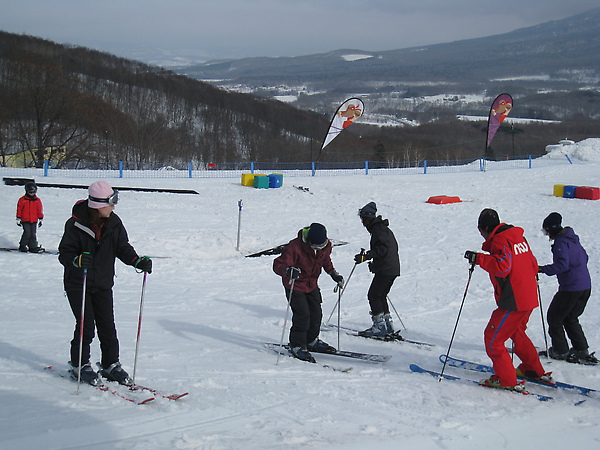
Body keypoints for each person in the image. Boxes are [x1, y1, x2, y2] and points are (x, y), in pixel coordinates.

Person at [58, 180, 153, 385]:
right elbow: (64, 253)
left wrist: (136, 260)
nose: (113, 207)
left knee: (107, 325)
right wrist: (77, 260)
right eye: (111, 203)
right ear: (98, 205)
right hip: (79, 283)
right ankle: (80, 364)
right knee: (86, 325)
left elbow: (122, 247)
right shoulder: (75, 224)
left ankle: (111, 364)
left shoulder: (114, 222)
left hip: (102, 281)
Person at [464, 208, 552, 391]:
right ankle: (532, 369)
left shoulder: (500, 240)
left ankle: (505, 379)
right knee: (516, 332)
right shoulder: (517, 237)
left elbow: (502, 268)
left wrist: (480, 259)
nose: (480, 234)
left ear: (486, 228)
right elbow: (533, 264)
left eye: (480, 230)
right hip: (528, 296)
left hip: (514, 300)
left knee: (493, 338)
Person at [273, 223, 344, 362]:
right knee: (303, 315)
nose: (318, 249)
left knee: (316, 313)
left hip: (311, 284)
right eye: (315, 247)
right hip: (295, 284)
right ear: (309, 242)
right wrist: (288, 271)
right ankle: (297, 345)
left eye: (321, 246)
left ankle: (311, 340)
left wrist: (333, 273)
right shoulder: (295, 247)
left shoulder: (326, 245)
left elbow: (325, 259)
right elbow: (278, 264)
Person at [539, 212, 597, 364]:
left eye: (547, 231)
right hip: (585, 286)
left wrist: (542, 269)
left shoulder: (561, 242)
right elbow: (585, 257)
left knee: (554, 317)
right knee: (570, 318)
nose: (547, 235)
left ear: (552, 230)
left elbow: (562, 265)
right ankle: (581, 349)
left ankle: (560, 350)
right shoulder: (573, 239)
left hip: (571, 287)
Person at [354, 202, 400, 337]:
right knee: (380, 295)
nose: (362, 221)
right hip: (391, 268)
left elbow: (382, 249)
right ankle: (387, 324)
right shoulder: (381, 228)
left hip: (386, 269)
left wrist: (366, 257)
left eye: (363, 218)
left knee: (373, 295)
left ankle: (379, 326)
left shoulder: (378, 230)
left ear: (369, 218)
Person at [16, 181, 44, 253]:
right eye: (30, 192)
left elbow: (39, 210)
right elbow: (19, 209)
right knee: (27, 233)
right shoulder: (22, 200)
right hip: (25, 219)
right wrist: (18, 218)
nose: (32, 194)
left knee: (33, 234)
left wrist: (40, 218)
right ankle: (22, 245)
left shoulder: (37, 200)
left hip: (34, 220)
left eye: (33, 192)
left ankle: (32, 246)